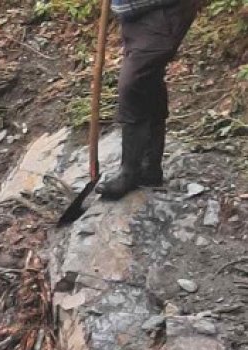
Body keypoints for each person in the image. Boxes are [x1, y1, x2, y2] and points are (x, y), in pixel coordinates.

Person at [96, 0, 201, 200]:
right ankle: (149, 168)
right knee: (148, 80)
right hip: (138, 13)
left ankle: (130, 172)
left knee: (133, 84)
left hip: (164, 10)